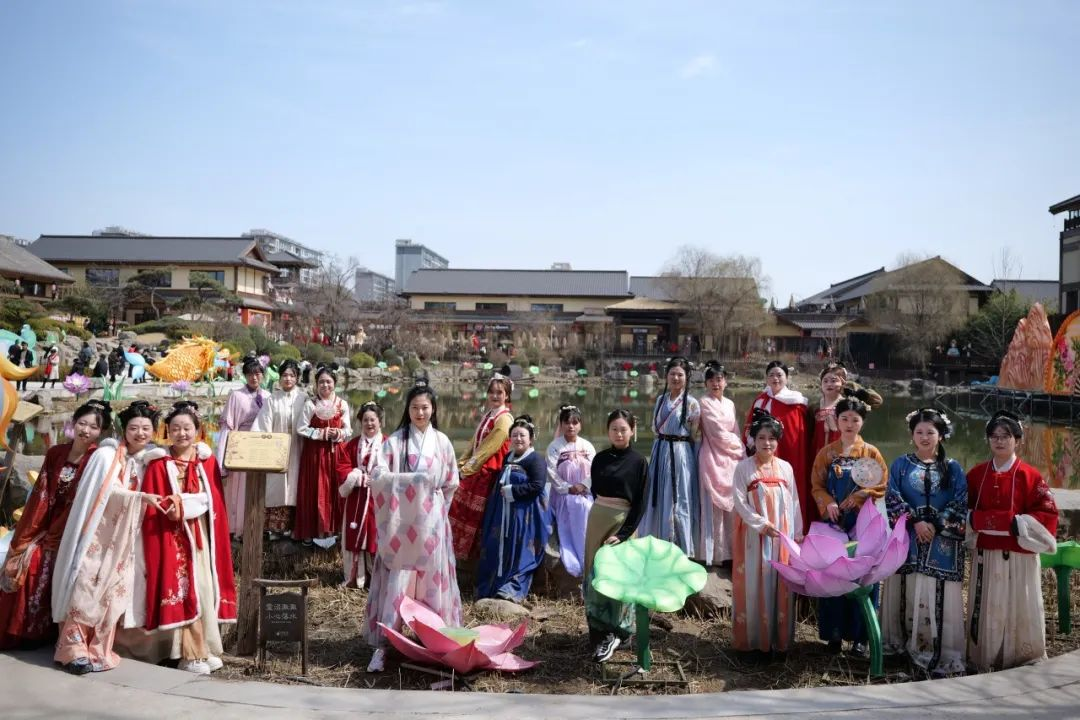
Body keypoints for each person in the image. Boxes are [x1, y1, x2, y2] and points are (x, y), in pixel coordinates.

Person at [51, 401, 163, 674]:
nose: (140, 433)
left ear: (154, 431)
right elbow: (106, 492)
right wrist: (140, 497)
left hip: (126, 539)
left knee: (113, 591)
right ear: (123, 430)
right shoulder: (106, 455)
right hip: (97, 534)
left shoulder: (152, 461)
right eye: (133, 428)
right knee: (86, 584)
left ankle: (98, 649)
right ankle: (72, 650)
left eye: (146, 428)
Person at [133, 401, 237, 674]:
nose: (182, 434)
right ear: (168, 431)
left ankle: (206, 647)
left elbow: (216, 500)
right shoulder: (158, 464)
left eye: (187, 428)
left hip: (201, 532)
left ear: (198, 430)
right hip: (173, 535)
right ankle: (188, 654)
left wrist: (196, 503)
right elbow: (154, 506)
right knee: (184, 589)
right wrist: (180, 504)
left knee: (203, 587)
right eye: (176, 428)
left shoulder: (206, 461)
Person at [364, 380, 461, 673]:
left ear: (433, 410)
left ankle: (435, 642)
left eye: (425, 407)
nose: (420, 413)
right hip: (401, 525)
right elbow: (378, 474)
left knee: (433, 580)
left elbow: (451, 482)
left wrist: (436, 509)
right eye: (415, 407)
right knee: (397, 580)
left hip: (432, 523)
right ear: (407, 409)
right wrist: (414, 483)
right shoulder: (395, 442)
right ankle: (384, 645)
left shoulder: (442, 442)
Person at [0, 400, 106, 650]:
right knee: (29, 558)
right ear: (73, 424)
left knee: (44, 561)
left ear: (101, 432)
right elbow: (41, 492)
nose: (86, 430)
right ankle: (20, 630)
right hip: (46, 520)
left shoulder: (97, 459)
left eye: (93, 427)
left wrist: (61, 530)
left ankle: (43, 631)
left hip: (75, 527)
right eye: (82, 423)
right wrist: (33, 529)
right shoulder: (56, 452)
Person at [967, 411, 1058, 671]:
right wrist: (972, 519)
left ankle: (1021, 654)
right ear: (988, 439)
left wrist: (1019, 524)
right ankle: (985, 656)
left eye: (1006, 436)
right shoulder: (976, 474)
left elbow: (1047, 512)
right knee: (988, 606)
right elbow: (960, 509)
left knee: (1019, 602)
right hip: (986, 555)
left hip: (1019, 555)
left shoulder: (1030, 475)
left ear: (1017, 440)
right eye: (994, 436)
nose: (999, 441)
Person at [882, 408, 968, 676]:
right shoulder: (901, 464)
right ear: (912, 435)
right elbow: (892, 497)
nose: (924, 437)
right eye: (919, 432)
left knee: (936, 591)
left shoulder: (953, 468)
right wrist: (916, 521)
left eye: (930, 432)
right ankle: (902, 649)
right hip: (909, 536)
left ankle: (936, 651)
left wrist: (937, 524)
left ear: (941, 435)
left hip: (942, 541)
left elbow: (960, 500)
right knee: (907, 589)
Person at [810, 390, 888, 655]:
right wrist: (828, 503)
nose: (849, 424)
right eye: (844, 418)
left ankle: (860, 638)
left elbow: (882, 484)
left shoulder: (871, 452)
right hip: (835, 522)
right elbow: (817, 485)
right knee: (834, 575)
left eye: (855, 419)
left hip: (862, 523)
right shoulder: (827, 453)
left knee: (863, 577)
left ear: (862, 422)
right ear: (836, 420)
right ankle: (833, 635)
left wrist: (860, 495)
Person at [731, 409, 802, 654]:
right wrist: (761, 524)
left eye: (772, 438)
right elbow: (739, 502)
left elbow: (794, 502)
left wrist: (797, 533)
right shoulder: (743, 468)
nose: (767, 443)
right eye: (761, 437)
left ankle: (778, 642)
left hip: (781, 535)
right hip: (754, 536)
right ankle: (753, 642)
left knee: (780, 583)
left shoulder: (786, 468)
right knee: (754, 584)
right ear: (753, 439)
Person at [584, 410, 648, 663]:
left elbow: (640, 504)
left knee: (620, 576)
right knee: (595, 573)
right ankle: (597, 629)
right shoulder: (599, 459)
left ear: (632, 430)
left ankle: (620, 631)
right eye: (614, 429)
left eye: (623, 429)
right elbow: (594, 490)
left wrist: (623, 533)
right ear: (608, 431)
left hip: (623, 523)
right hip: (597, 520)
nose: (619, 434)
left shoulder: (639, 462)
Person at [476, 415, 551, 602]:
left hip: (525, 514)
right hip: (503, 513)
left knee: (521, 551)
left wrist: (513, 491)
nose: (518, 439)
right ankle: (494, 585)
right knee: (499, 546)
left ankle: (513, 588)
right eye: (515, 435)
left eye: (522, 435)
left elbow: (538, 486)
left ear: (531, 438)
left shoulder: (535, 459)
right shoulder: (507, 458)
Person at [637, 357, 703, 556]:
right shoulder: (660, 400)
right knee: (657, 495)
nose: (676, 378)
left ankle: (679, 547)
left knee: (678, 497)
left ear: (687, 377)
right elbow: (655, 428)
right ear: (666, 376)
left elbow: (695, 436)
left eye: (680, 374)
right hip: (660, 450)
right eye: (672, 374)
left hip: (680, 453)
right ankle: (656, 541)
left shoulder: (692, 403)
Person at [449, 370, 513, 560]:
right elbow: (474, 443)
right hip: (476, 467)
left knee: (466, 509)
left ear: (507, 395)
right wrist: (460, 463)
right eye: (492, 392)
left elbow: (488, 449)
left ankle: (467, 554)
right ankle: (453, 549)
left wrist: (467, 470)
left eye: (499, 392)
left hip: (487, 472)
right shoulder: (489, 415)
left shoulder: (504, 419)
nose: (495, 396)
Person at [745, 361, 812, 530]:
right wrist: (751, 443)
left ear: (787, 378)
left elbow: (799, 432)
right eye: (771, 375)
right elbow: (749, 426)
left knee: (789, 486)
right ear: (766, 378)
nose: (775, 378)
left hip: (791, 453)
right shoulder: (760, 400)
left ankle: (792, 528)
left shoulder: (796, 402)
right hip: (763, 453)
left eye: (779, 375)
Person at [295, 366, 352, 546]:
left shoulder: (342, 404)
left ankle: (336, 531)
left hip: (336, 454)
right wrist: (321, 433)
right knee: (315, 490)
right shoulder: (310, 404)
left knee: (335, 490)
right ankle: (312, 532)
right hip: (315, 454)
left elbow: (348, 429)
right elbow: (301, 428)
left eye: (328, 381)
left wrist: (339, 433)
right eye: (321, 382)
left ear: (335, 383)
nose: (325, 385)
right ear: (316, 384)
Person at [252, 359, 307, 539]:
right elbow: (262, 425)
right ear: (279, 377)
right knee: (277, 486)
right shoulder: (272, 400)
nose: (288, 379)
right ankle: (275, 529)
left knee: (296, 486)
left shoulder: (304, 398)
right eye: (284, 375)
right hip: (276, 450)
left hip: (299, 449)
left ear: (297, 378)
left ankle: (296, 529)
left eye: (292, 375)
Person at [216, 356, 269, 537]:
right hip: (241, 446)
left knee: (260, 487)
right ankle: (238, 528)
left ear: (263, 375)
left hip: (261, 448)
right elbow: (227, 428)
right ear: (245, 376)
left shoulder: (268, 396)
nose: (254, 377)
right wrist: (223, 458)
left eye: (258, 374)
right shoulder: (236, 396)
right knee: (239, 488)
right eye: (250, 374)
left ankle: (258, 526)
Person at [697, 361, 744, 566]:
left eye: (719, 379)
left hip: (731, 458)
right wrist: (738, 445)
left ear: (725, 382)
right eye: (711, 380)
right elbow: (717, 433)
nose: (715, 384)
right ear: (706, 383)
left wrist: (739, 447)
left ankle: (730, 553)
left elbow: (735, 429)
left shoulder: (730, 404)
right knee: (713, 506)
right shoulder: (704, 402)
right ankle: (713, 554)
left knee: (732, 506)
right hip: (712, 455)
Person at [335, 401, 384, 588]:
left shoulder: (388, 444)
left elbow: (394, 469)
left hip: (378, 500)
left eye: (373, 420)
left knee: (376, 535)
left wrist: (378, 479)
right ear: (360, 422)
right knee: (356, 534)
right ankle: (357, 577)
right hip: (356, 497)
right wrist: (357, 477)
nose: (369, 423)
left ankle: (377, 579)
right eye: (365, 420)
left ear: (380, 421)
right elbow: (342, 467)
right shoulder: (352, 445)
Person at [545, 404, 596, 578]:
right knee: (569, 521)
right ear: (561, 424)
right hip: (563, 495)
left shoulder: (587, 446)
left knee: (586, 510)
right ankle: (575, 560)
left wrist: (583, 485)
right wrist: (568, 487)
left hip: (585, 493)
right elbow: (551, 472)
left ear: (580, 424)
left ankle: (588, 559)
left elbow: (594, 470)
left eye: (575, 422)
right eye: (567, 422)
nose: (571, 426)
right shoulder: (554, 447)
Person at [810, 362, 883, 462]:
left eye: (834, 381)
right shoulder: (814, 407)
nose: (829, 384)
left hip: (843, 453)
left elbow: (877, 401)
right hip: (817, 454)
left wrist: (850, 386)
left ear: (842, 383)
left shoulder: (849, 404)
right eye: (825, 381)